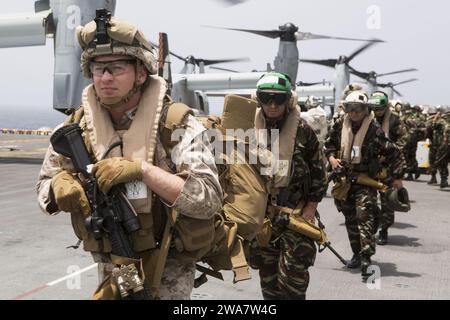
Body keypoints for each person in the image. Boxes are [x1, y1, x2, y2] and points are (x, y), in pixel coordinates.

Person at [35, 12, 222, 299]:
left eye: (117, 68)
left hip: (168, 261)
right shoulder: (76, 128)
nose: (106, 78)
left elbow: (207, 199)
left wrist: (143, 171)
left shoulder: (176, 125)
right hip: (113, 257)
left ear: (141, 73)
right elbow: (44, 188)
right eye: (99, 69)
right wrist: (59, 186)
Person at [249, 72, 328, 299]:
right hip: (264, 218)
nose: (272, 105)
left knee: (292, 283)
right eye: (266, 99)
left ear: (288, 101)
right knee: (269, 280)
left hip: (295, 216)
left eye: (278, 99)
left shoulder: (304, 132)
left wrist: (311, 208)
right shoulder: (249, 130)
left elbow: (319, 175)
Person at [325, 90, 404, 275]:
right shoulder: (339, 125)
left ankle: (367, 258)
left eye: (358, 109)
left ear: (365, 109)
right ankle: (356, 254)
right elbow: (327, 145)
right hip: (344, 181)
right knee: (350, 220)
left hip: (365, 181)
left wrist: (397, 177)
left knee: (364, 217)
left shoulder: (374, 130)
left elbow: (394, 153)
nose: (353, 113)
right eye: (350, 109)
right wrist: (331, 159)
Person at [369, 91, 406, 245]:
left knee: (387, 202)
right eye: (374, 108)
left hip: (389, 166)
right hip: (370, 167)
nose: (377, 111)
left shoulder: (395, 120)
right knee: (368, 201)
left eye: (380, 108)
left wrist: (389, 151)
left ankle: (384, 230)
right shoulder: (366, 119)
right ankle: (371, 227)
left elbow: (403, 141)